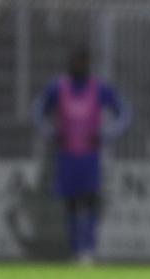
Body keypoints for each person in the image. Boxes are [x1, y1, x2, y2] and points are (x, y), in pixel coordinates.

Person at [32, 47, 130, 263]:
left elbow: (124, 113)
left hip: (90, 157)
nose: (79, 66)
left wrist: (107, 134)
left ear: (88, 64)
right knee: (71, 205)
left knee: (90, 203)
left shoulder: (99, 88)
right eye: (75, 62)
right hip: (67, 157)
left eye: (82, 62)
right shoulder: (58, 87)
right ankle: (76, 250)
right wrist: (50, 133)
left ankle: (88, 250)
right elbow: (38, 111)